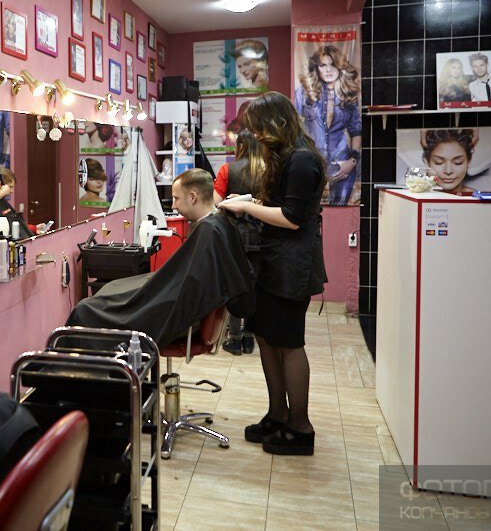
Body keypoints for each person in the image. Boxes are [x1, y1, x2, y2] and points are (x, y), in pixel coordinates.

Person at [219, 92, 327, 457]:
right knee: (266, 336)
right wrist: (249, 201)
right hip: (272, 261)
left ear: (276, 123)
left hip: (292, 266)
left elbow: (293, 218)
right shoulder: (286, 156)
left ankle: (300, 426)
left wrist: (247, 207)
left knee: (289, 342)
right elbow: (279, 205)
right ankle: (278, 413)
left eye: (260, 129)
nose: (257, 136)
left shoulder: (302, 160)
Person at [68, 169, 255, 346]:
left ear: (193, 197)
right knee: (111, 289)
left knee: (86, 310)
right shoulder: (217, 224)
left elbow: (183, 293)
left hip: (176, 316)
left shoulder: (209, 230)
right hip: (174, 302)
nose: (173, 205)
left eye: (176, 198)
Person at [213, 131, 264, 356]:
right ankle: (249, 338)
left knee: (235, 283)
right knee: (254, 285)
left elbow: (216, 203)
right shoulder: (266, 171)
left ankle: (234, 339)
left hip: (235, 235)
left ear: (240, 146)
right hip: (262, 235)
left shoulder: (228, 170)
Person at [294, 45, 362, 206]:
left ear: (340, 66)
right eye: (323, 65)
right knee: (307, 208)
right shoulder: (304, 93)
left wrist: (352, 161)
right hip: (311, 163)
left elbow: (356, 130)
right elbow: (295, 126)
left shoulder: (349, 95)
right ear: (316, 68)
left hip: (342, 164)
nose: (328, 70)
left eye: (333, 65)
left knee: (341, 209)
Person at [421, 128, 477, 195]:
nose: (448, 171)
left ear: (468, 162)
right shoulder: (416, 197)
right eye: (439, 162)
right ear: (427, 162)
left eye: (458, 162)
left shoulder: (477, 197)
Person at [0, 166, 35, 239]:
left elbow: (15, 225)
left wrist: (34, 228)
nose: (11, 191)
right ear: (0, 184)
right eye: (10, 187)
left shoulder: (2, 202)